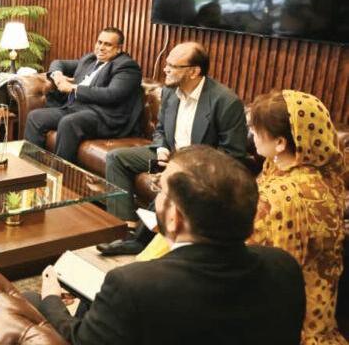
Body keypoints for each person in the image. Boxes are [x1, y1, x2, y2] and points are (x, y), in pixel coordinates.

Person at [24, 145, 306, 345]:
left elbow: (80, 340)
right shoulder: (284, 267)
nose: (156, 195)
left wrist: (51, 297)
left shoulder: (132, 286)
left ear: (174, 217)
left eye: (160, 190)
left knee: (30, 301)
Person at [99, 42, 248, 254]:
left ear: (194, 71)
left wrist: (182, 169)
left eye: (172, 66)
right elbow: (160, 129)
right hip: (171, 153)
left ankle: (140, 240)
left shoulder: (225, 101)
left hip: (200, 166)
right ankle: (126, 228)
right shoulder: (170, 92)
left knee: (171, 182)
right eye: (166, 64)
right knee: (116, 158)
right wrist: (161, 149)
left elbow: (232, 156)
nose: (165, 69)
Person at [247, 90, 347, 345]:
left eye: (257, 130)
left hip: (284, 319)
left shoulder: (278, 195)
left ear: (281, 142)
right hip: (321, 307)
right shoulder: (327, 177)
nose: (252, 134)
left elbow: (245, 255)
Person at [24, 27, 143, 164]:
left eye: (108, 44)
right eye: (99, 42)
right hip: (75, 108)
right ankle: (31, 168)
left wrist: (73, 88)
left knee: (69, 123)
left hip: (101, 116)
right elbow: (58, 63)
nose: (101, 47)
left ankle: (60, 172)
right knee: (35, 117)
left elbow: (111, 94)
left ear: (118, 49)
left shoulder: (127, 67)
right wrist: (58, 76)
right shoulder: (90, 59)